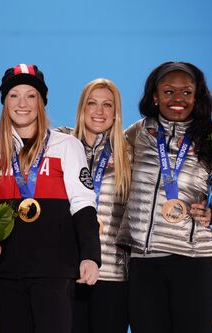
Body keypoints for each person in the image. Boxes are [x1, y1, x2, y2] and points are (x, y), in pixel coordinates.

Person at [116, 61, 212, 333]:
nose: (178, 99)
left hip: (194, 264)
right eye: (168, 91)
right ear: (155, 96)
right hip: (144, 264)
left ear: (197, 97)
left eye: (186, 92)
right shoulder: (138, 133)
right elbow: (104, 149)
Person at [0, 64, 101, 333]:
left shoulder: (66, 145)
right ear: (4, 103)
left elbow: (83, 204)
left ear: (42, 102)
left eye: (31, 95)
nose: (22, 103)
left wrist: (90, 256)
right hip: (6, 273)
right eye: (14, 95)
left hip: (54, 271)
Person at [56, 78, 131, 333]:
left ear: (115, 112)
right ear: (81, 108)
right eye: (92, 103)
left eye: (107, 105)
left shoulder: (128, 153)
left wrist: (207, 209)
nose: (99, 111)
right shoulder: (59, 144)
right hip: (66, 268)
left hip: (111, 271)